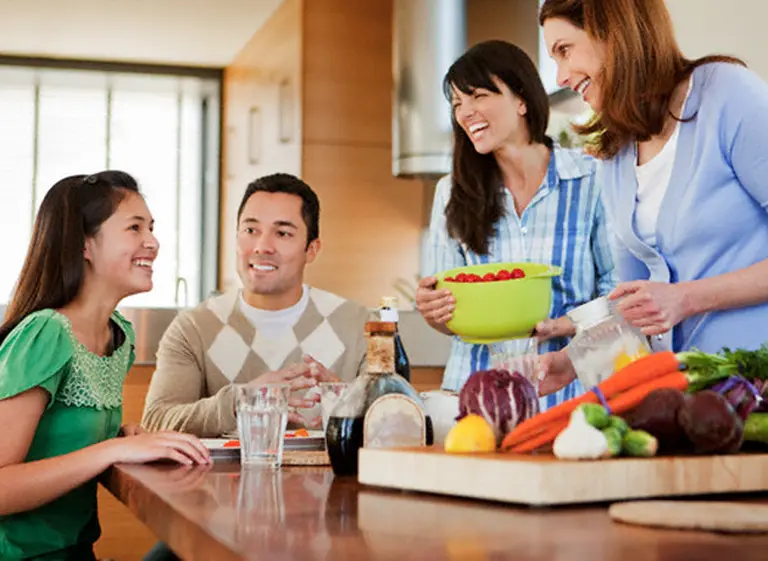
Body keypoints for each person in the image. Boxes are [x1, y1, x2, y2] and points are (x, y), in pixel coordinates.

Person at [539, 0, 768, 391]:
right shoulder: (615, 151)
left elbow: (673, 299)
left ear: (613, 31)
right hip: (681, 402)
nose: (560, 76)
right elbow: (636, 305)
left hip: (755, 392)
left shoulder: (726, 95)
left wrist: (686, 298)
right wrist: (573, 362)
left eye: (564, 50)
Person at [0, 171, 210, 561]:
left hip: (78, 551)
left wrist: (121, 437)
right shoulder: (45, 333)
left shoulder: (118, 336)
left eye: (151, 227)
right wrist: (110, 450)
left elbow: (63, 435)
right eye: (134, 227)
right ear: (84, 243)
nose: (153, 241)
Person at [415, 40, 616, 408]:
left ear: (521, 100)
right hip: (476, 394)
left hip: (573, 393)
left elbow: (620, 287)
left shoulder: (591, 178)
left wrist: (568, 323)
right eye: (457, 103)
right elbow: (447, 313)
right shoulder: (451, 192)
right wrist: (434, 312)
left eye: (477, 95)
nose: (466, 112)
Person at [142, 173, 370, 437]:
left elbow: (398, 422)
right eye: (251, 231)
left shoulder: (360, 325)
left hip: (332, 479)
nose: (262, 247)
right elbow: (157, 421)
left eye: (282, 233)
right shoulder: (194, 328)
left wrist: (347, 403)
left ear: (312, 249)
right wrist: (241, 401)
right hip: (221, 479)